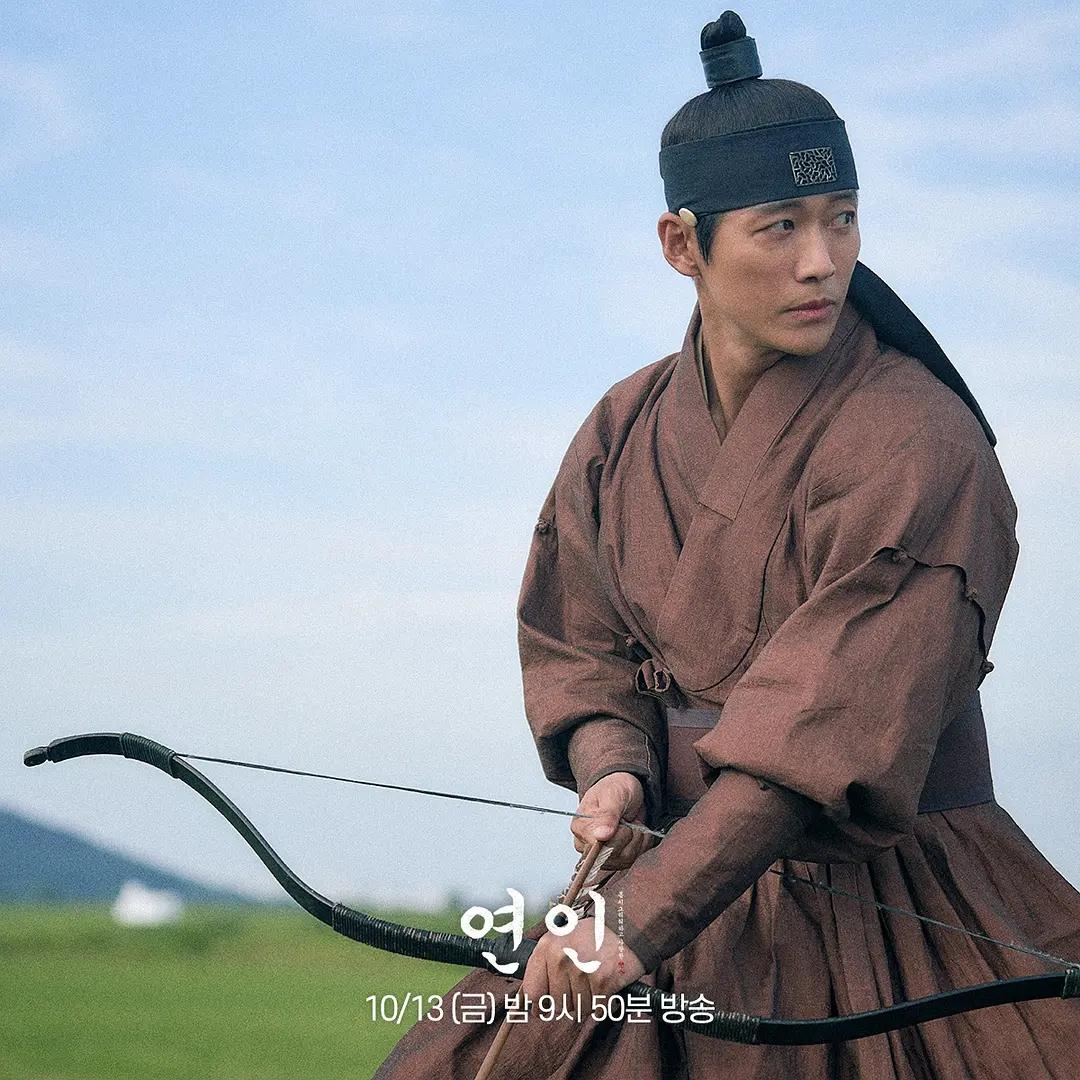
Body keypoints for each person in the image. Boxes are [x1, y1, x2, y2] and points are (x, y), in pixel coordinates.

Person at [375, 12, 1080, 1078]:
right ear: (682, 245)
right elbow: (582, 648)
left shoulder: (919, 438)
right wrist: (615, 770)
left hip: (894, 901)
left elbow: (824, 728)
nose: (822, 263)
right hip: (664, 878)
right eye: (779, 227)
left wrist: (636, 922)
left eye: (843, 221)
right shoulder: (623, 428)